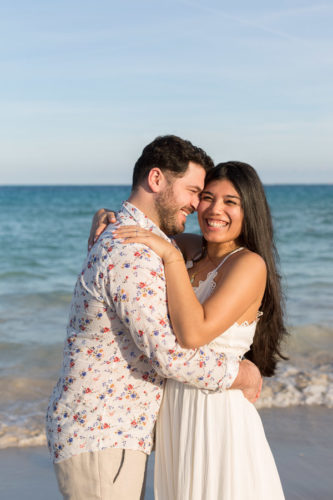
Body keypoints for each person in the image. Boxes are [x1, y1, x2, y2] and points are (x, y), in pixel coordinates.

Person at [46, 137, 262, 500]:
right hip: (104, 431)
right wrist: (242, 373)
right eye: (197, 192)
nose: (198, 205)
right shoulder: (133, 251)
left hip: (120, 430)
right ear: (157, 180)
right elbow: (169, 353)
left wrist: (106, 216)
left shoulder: (151, 242)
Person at [107, 161, 287, 499]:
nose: (215, 209)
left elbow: (193, 334)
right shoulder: (189, 247)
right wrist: (104, 217)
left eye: (230, 201)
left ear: (250, 210)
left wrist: (171, 260)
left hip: (218, 415)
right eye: (207, 197)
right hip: (176, 411)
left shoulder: (249, 264)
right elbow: (141, 223)